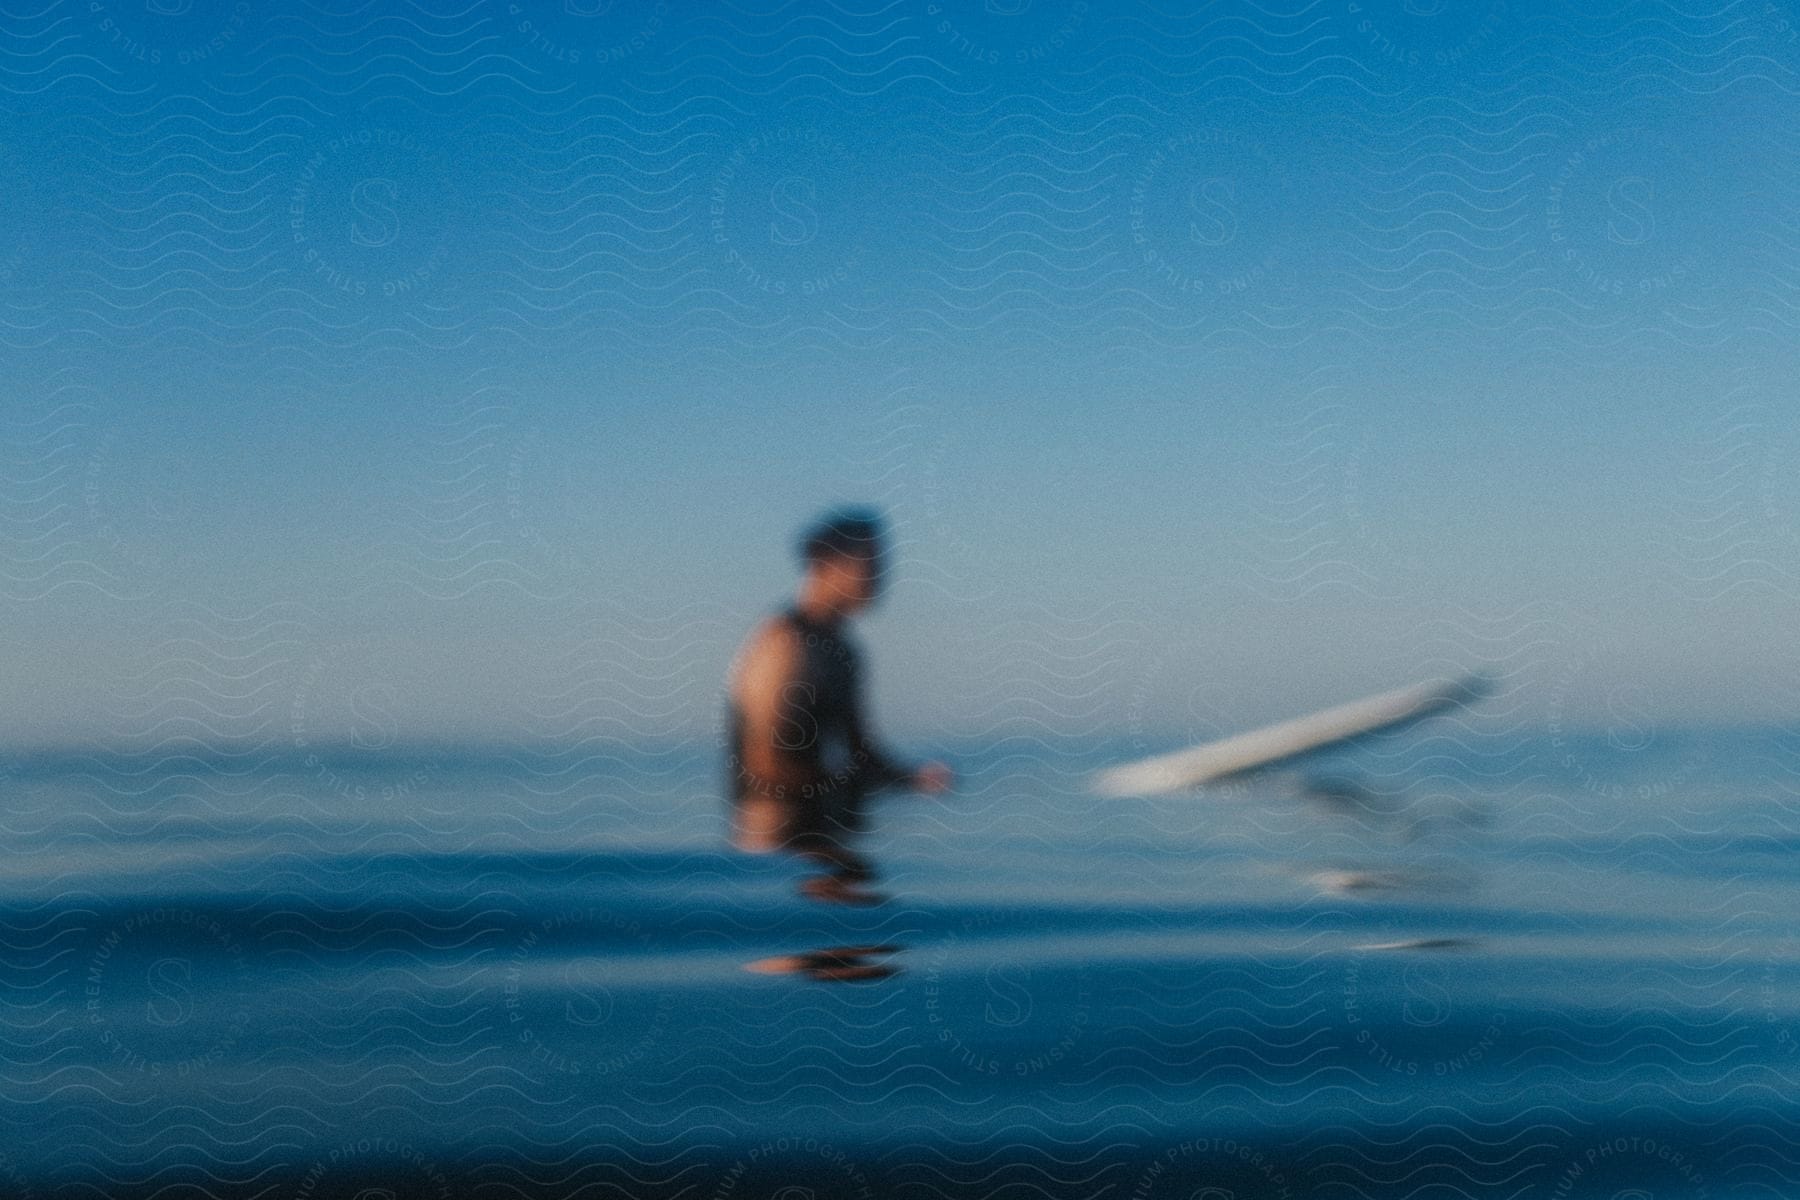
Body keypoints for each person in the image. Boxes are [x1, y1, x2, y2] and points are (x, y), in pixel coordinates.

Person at [725, 508, 952, 902]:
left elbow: (861, 751)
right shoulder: (783, 645)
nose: (881, 577)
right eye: (871, 563)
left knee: (868, 957)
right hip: (773, 850)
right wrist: (851, 785)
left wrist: (912, 780)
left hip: (829, 840)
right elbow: (765, 767)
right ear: (826, 565)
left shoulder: (844, 651)